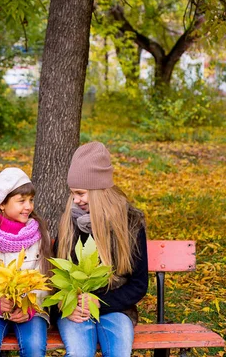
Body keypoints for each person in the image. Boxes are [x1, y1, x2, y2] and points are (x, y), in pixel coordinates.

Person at [54, 141, 148, 357]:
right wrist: (66, 304)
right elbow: (56, 276)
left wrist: (100, 301)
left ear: (99, 191)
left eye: (81, 193)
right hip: (75, 311)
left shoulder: (130, 224)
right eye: (72, 193)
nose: (76, 200)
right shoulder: (70, 220)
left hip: (115, 308)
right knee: (79, 353)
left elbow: (138, 284)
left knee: (119, 352)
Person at [0, 167, 52, 357]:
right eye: (21, 201)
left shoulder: (40, 234)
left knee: (34, 346)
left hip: (31, 310)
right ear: (1, 203)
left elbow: (46, 278)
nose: (28, 206)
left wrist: (30, 307)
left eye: (31, 200)